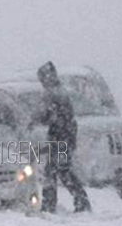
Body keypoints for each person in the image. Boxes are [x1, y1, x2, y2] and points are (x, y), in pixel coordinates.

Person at [29, 61, 91, 213]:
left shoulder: (54, 93)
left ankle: (55, 204)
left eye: (43, 78)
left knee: (57, 171)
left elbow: (50, 116)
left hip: (60, 138)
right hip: (63, 137)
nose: (42, 82)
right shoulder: (58, 92)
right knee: (60, 170)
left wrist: (35, 121)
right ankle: (78, 201)